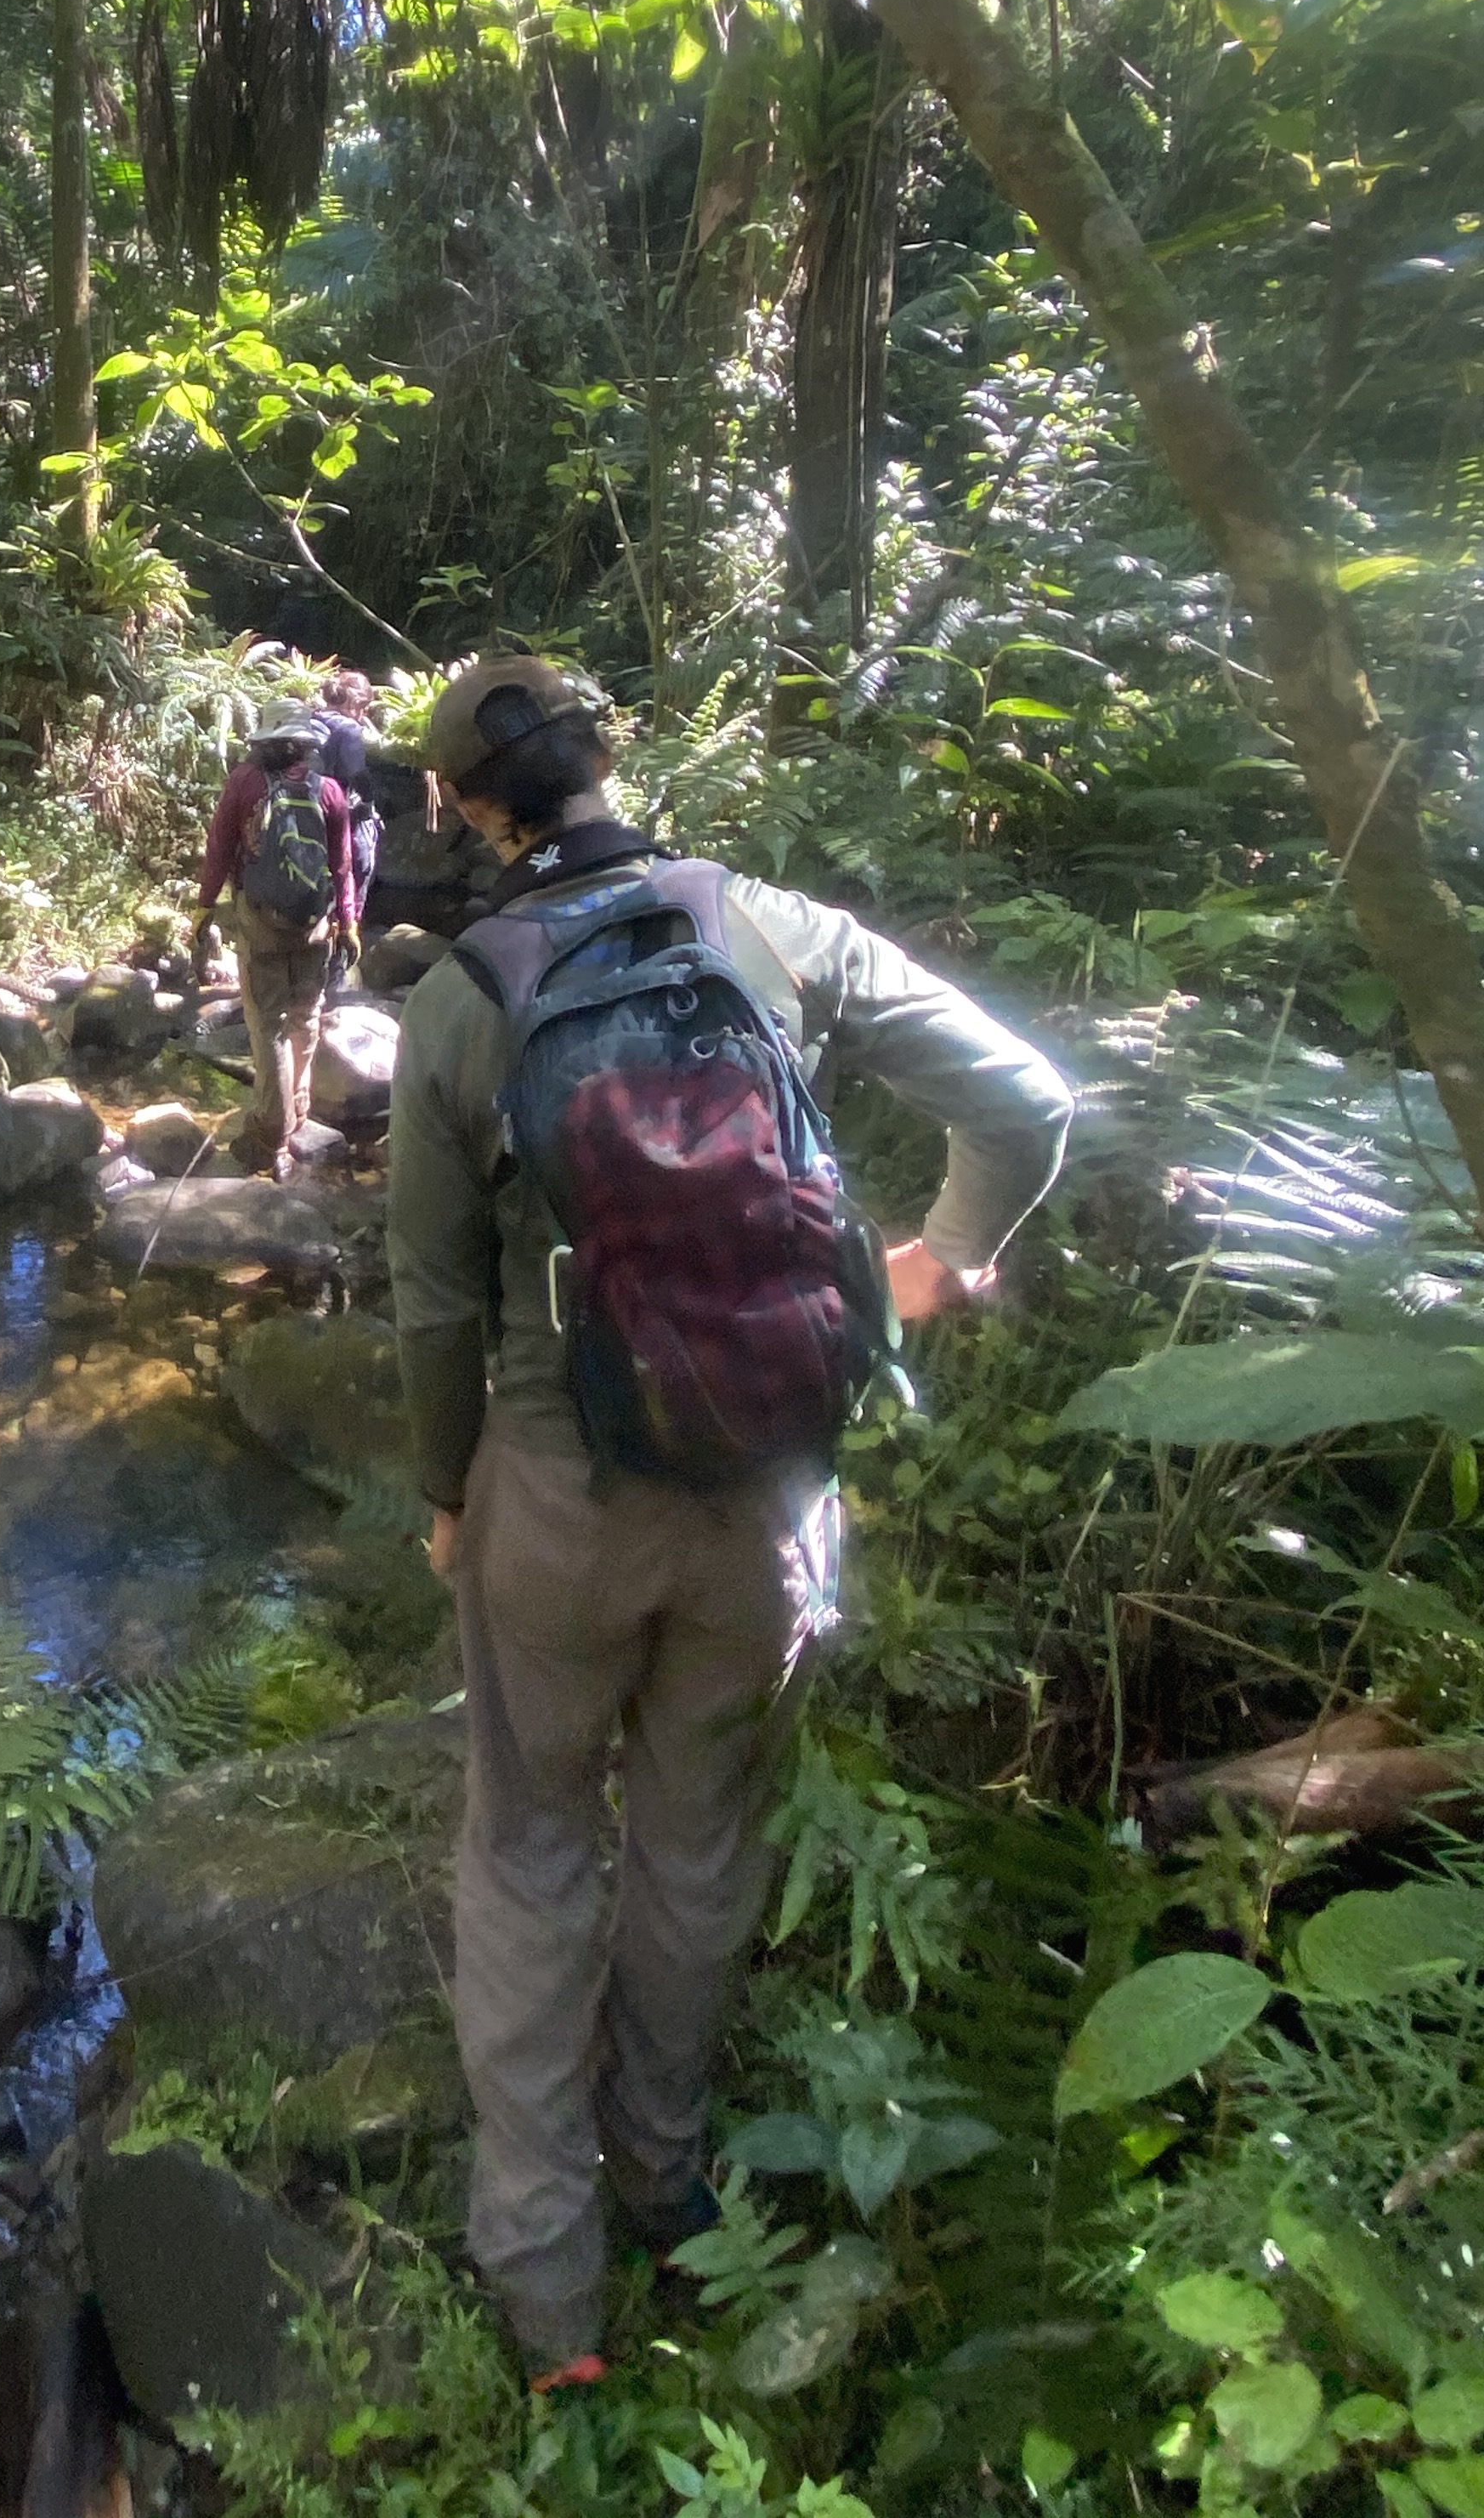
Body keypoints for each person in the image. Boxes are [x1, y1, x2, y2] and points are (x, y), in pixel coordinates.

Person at [388, 656, 1073, 2389]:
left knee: (534, 1853)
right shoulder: (772, 930)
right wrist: (932, 1265)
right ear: (612, 759)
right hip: (770, 1493)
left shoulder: (462, 1003)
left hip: (560, 1496)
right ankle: (670, 2180)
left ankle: (548, 2303)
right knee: (700, 1843)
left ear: (471, 803)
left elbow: (434, 1312)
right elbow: (1029, 1101)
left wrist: (448, 1499)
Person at [191, 712, 364, 1177]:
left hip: (261, 919)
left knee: (267, 1022)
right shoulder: (328, 790)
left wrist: (204, 907)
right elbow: (342, 866)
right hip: (314, 922)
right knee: (306, 1015)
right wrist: (349, 923)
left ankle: (272, 1132)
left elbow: (220, 849)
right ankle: (299, 1110)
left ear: (267, 741)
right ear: (305, 745)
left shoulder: (245, 782)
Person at [314, 669, 387, 995]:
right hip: (346, 821)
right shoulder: (348, 729)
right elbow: (358, 776)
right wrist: (371, 803)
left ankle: (309, 972)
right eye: (366, 705)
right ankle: (337, 977)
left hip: (309, 823)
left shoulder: (309, 721)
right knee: (352, 885)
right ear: (358, 703)